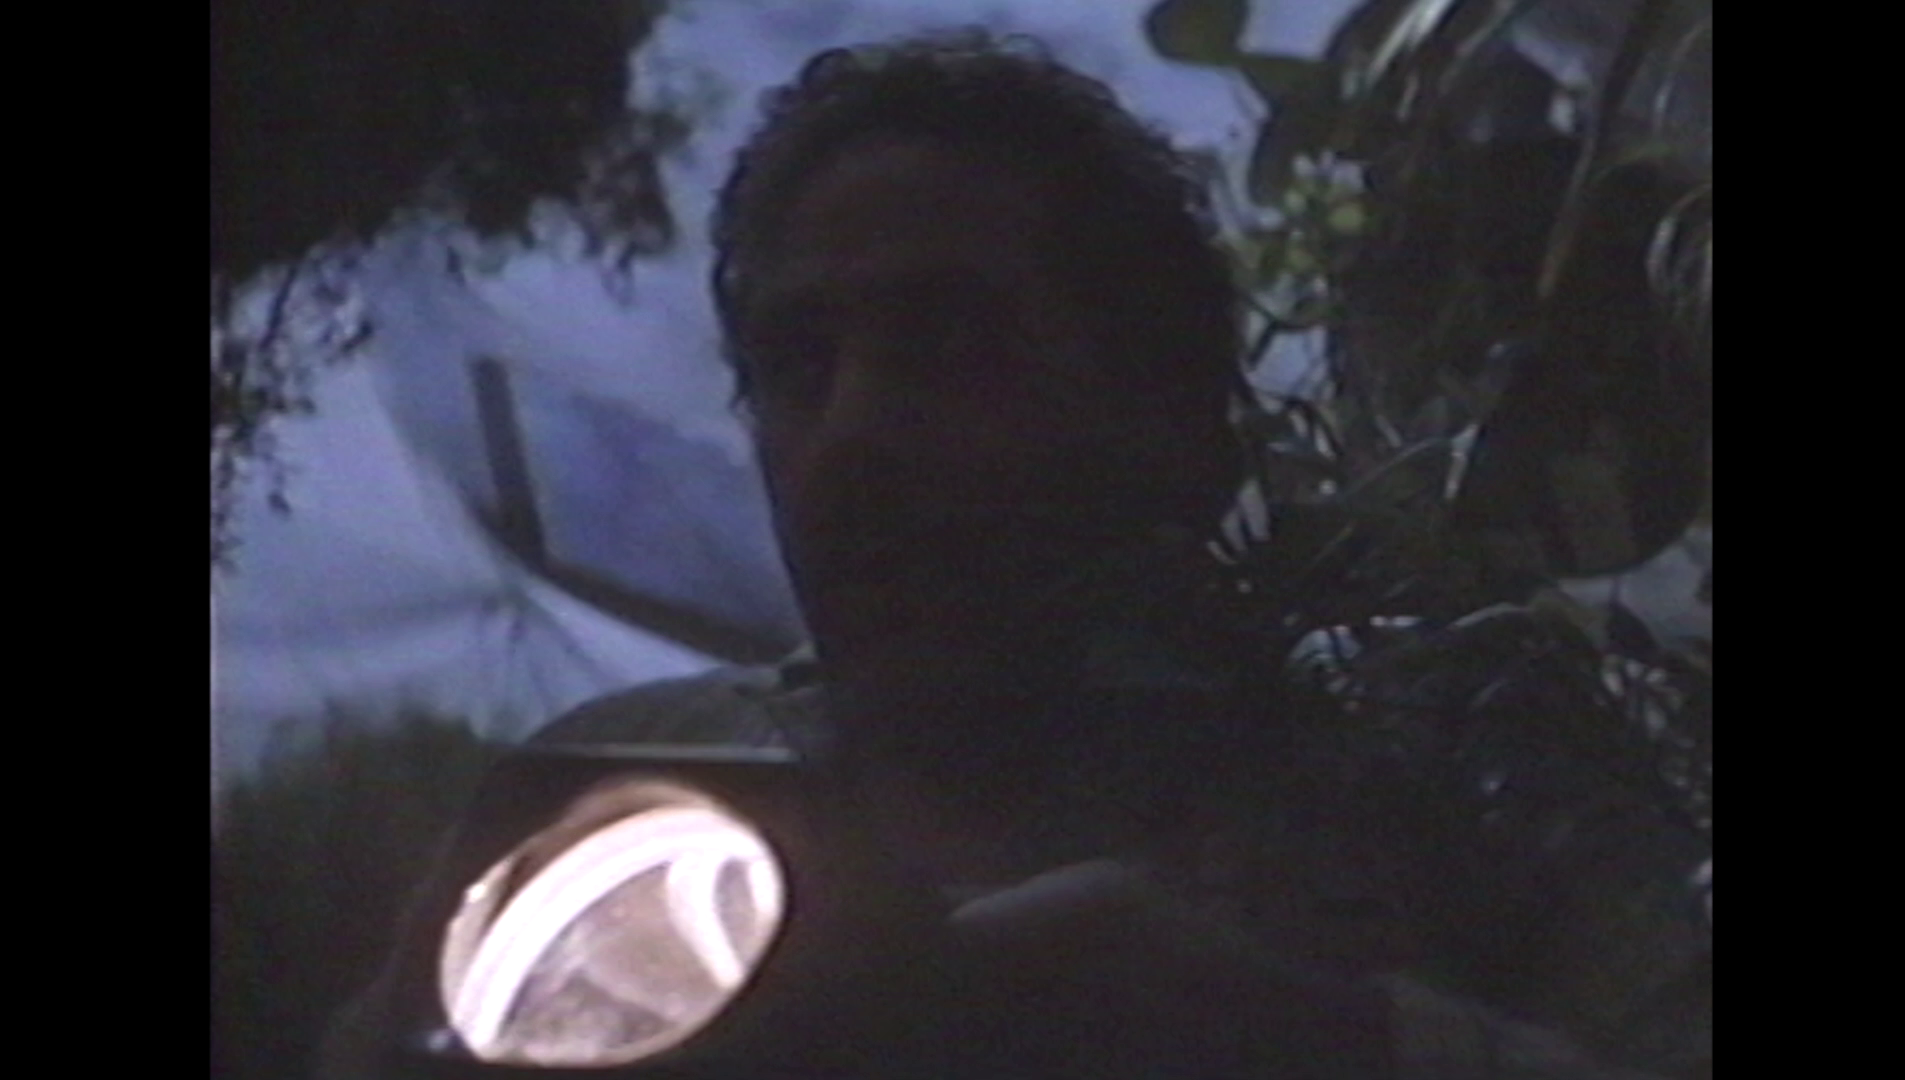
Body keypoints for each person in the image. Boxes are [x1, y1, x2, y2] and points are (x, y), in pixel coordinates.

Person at [322, 32, 1706, 1080]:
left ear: (1175, 418)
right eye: (798, 366)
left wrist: (1314, 1032)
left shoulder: (1452, 778)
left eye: (952, 340)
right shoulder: (628, 808)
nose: (853, 435)